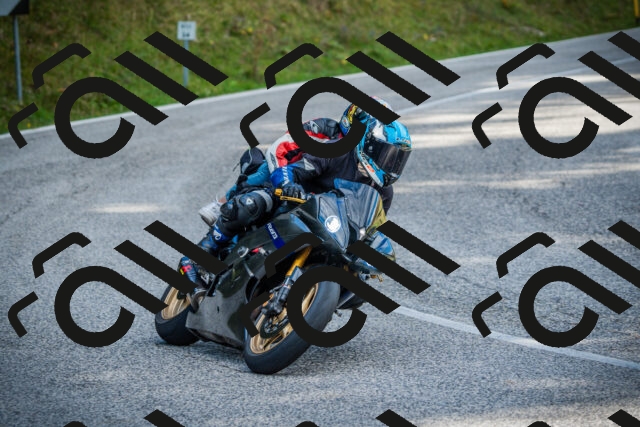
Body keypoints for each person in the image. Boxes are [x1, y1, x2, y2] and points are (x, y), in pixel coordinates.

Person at [180, 97, 412, 290]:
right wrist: (287, 184)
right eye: (386, 154)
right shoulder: (335, 150)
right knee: (253, 202)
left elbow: (370, 226)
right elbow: (289, 165)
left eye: (397, 159)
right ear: (366, 142)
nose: (391, 164)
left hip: (328, 227)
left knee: (358, 278)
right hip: (295, 203)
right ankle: (202, 252)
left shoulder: (384, 192)